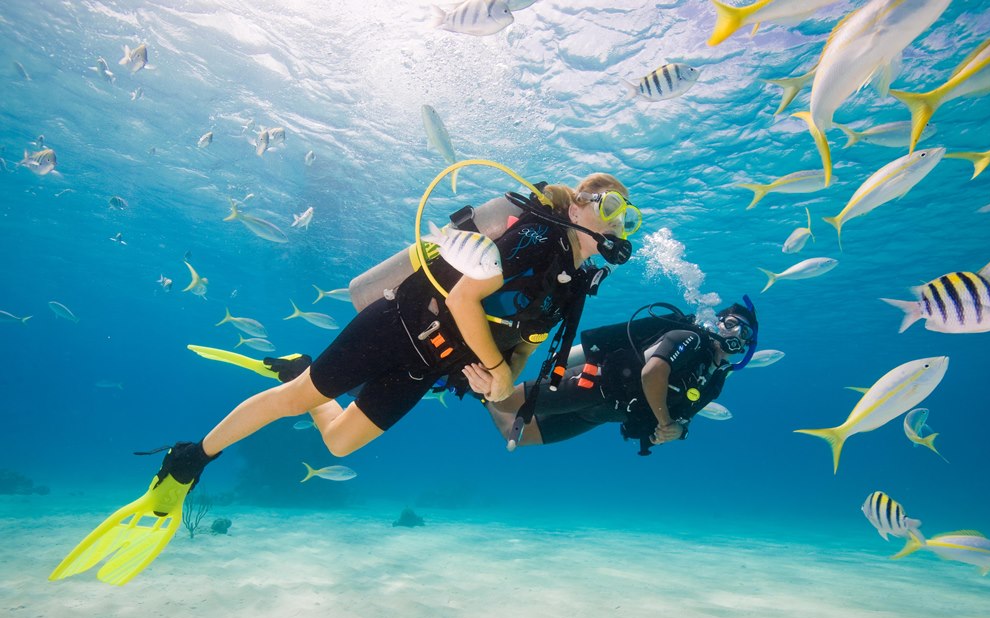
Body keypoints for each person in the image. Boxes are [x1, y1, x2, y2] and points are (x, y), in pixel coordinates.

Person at [156, 173, 641, 495]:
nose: (618, 220)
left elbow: (525, 350)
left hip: (428, 366)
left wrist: (498, 382)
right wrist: (494, 368)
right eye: (612, 205)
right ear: (577, 206)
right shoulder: (538, 237)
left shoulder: (572, 287)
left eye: (628, 217)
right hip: (399, 325)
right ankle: (195, 455)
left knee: (340, 445)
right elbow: (461, 299)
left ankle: (305, 369)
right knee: (294, 399)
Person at [483, 300, 758, 455]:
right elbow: (653, 372)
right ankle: (481, 377)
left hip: (606, 413)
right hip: (594, 385)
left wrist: (676, 431)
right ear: (717, 323)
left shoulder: (715, 379)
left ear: (747, 347)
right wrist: (664, 421)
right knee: (506, 403)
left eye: (744, 334)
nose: (735, 334)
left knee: (522, 435)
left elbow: (686, 416)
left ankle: (480, 394)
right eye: (731, 324)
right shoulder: (690, 338)